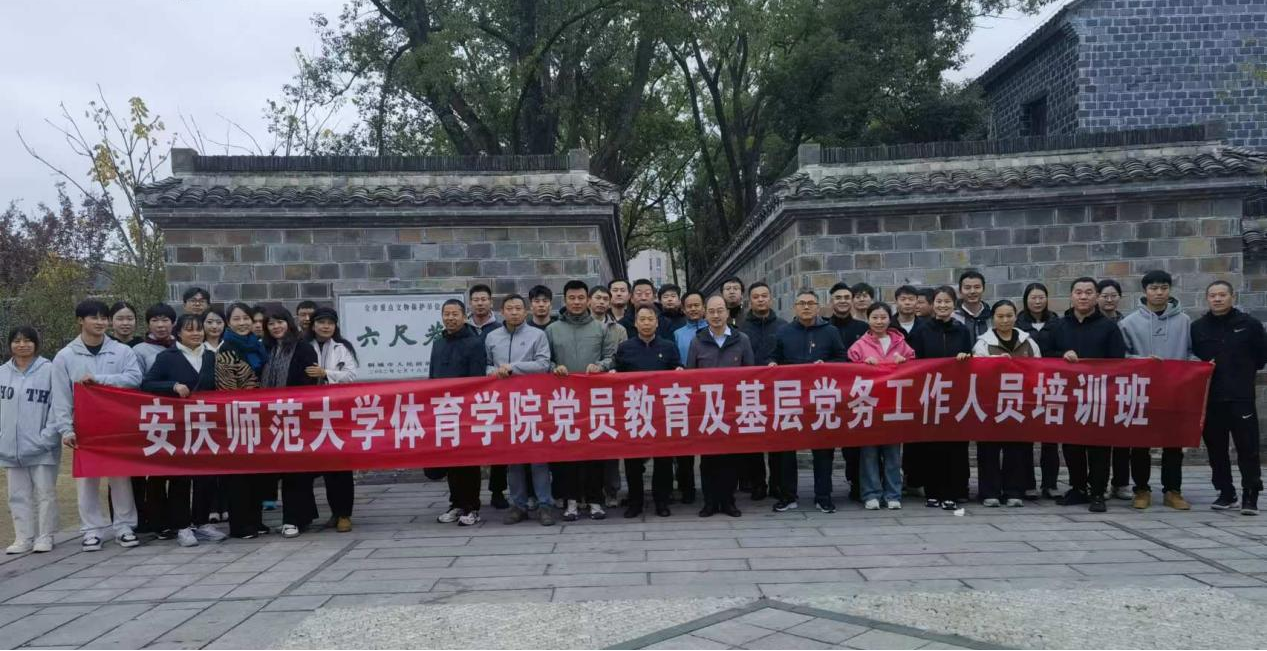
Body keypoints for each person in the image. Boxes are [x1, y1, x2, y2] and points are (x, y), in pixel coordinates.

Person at [50, 299, 143, 552]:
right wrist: (66, 429)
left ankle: (124, 526)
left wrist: (100, 379)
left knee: (120, 477)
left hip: (116, 424)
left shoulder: (121, 351)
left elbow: (134, 378)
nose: (101, 322)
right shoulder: (65, 356)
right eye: (95, 318)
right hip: (85, 428)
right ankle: (91, 530)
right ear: (80, 321)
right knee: (87, 479)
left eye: (104, 318)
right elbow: (61, 397)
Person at [140, 313, 229, 547]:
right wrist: (173, 386)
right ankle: (182, 526)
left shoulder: (211, 356)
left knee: (206, 476)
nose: (196, 333)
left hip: (206, 425)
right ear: (178, 332)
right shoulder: (167, 357)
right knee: (181, 478)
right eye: (189, 329)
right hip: (179, 427)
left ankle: (202, 522)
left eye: (199, 329)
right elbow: (148, 384)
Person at [1042, 277, 1127, 513]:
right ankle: (1077, 488)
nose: (1083, 296)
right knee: (1072, 445)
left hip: (1100, 396)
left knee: (1099, 447)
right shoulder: (1058, 326)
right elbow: (1044, 354)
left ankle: (1097, 492)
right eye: (1078, 292)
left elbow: (1118, 361)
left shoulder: (1108, 327)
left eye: (1088, 292)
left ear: (1096, 296)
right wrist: (1061, 355)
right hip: (1068, 396)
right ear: (1071, 296)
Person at [547, 280, 621, 521]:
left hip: (593, 399)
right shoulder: (553, 329)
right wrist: (554, 367)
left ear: (587, 300)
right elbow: (545, 359)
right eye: (572, 298)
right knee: (568, 453)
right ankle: (571, 500)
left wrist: (600, 366)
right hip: (564, 400)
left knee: (594, 451)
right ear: (565, 299)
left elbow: (611, 357)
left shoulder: (600, 328)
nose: (577, 302)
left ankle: (595, 500)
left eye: (581, 298)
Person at [1118, 270, 1192, 511]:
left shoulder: (1184, 321)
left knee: (1174, 443)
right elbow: (1122, 356)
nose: (1159, 293)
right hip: (1142, 391)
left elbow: (1192, 352)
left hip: (1175, 391)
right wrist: (1142, 361)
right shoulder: (1128, 323)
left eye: (1163, 288)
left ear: (1169, 290)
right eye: (1153, 288)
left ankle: (1173, 490)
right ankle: (1141, 489)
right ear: (1145, 291)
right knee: (1140, 443)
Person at [770, 289, 848, 514]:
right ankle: (788, 496)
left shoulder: (830, 331)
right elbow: (773, 357)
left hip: (821, 399)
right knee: (786, 451)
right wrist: (772, 364)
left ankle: (823, 496)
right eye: (802, 303)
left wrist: (827, 365)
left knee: (823, 450)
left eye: (811, 303)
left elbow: (842, 358)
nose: (806, 307)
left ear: (818, 307)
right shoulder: (783, 332)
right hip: (791, 399)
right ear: (795, 307)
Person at [1191, 280, 1264, 516]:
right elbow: (1195, 358)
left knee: (1247, 447)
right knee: (1216, 448)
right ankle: (1225, 492)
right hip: (1211, 398)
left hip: (1241, 396)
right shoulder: (1198, 327)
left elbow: (1261, 358)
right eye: (1213, 295)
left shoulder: (1250, 325)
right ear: (1207, 299)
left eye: (1222, 295)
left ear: (1233, 297)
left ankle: (1250, 494)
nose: (1217, 299)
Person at [486, 294, 556, 526]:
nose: (514, 312)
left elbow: (543, 364)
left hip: (533, 402)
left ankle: (545, 504)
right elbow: (486, 365)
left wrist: (512, 368)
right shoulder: (492, 337)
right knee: (513, 458)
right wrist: (494, 371)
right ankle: (519, 505)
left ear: (526, 311)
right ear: (502, 312)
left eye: (518, 308)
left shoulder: (538, 335)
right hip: (505, 404)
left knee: (538, 457)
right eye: (509, 308)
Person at [908, 286, 974, 511]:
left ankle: (952, 493)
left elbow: (971, 358)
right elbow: (914, 361)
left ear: (954, 304)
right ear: (932, 304)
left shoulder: (962, 330)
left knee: (954, 447)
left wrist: (965, 357)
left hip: (956, 396)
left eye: (947, 302)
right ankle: (932, 492)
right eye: (939, 301)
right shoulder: (921, 330)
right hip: (930, 395)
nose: (943, 305)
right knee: (931, 446)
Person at [688, 296, 754, 518]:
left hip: (733, 408)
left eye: (720, 311)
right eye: (711, 311)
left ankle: (728, 501)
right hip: (707, 409)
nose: (716, 316)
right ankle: (709, 502)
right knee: (708, 459)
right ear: (705, 314)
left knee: (730, 458)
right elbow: (690, 376)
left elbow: (751, 373)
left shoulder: (741, 339)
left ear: (727, 312)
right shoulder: (697, 341)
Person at [616, 305, 684, 518]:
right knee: (633, 460)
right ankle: (635, 502)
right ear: (636, 323)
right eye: (642, 319)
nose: (646, 323)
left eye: (650, 319)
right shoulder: (625, 348)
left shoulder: (669, 346)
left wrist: (680, 371)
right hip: (634, 411)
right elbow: (617, 376)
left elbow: (678, 370)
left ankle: (661, 501)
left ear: (657, 322)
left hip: (661, 412)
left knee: (663, 460)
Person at [972, 300, 1041, 508]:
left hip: (1019, 403)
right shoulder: (983, 343)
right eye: (1000, 316)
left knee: (1016, 449)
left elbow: (1039, 369)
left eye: (1009, 316)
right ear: (993, 318)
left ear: (1015, 317)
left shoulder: (1028, 342)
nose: (1005, 320)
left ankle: (1014, 491)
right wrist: (995, 363)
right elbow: (977, 371)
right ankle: (989, 492)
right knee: (989, 449)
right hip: (990, 404)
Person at [260, 306, 321, 537]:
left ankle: (292, 519)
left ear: (289, 322)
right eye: (271, 323)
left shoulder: (303, 348)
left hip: (298, 417)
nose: (276, 327)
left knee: (296, 469)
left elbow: (310, 382)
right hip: (271, 418)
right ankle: (302, 516)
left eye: (280, 322)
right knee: (285, 469)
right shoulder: (266, 349)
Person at [848, 302, 915, 511]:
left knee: (893, 453)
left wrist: (904, 362)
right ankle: (871, 494)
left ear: (889, 319)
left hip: (894, 406)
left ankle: (893, 494)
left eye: (883, 317)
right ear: (868, 319)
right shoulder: (859, 345)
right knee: (869, 453)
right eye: (875, 317)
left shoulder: (901, 343)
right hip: (869, 406)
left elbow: (916, 367)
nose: (879, 321)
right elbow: (847, 373)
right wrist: (862, 365)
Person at [430, 299, 488, 526]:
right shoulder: (438, 344)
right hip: (443, 410)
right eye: (447, 314)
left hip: (465, 411)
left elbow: (477, 380)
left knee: (468, 461)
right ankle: (456, 504)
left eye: (455, 314)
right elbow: (432, 377)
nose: (450, 318)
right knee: (450, 459)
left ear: (464, 317)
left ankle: (472, 507)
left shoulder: (474, 343)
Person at [1, 327, 58, 554]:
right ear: (10, 345)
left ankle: (45, 536)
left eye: (27, 341)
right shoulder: (2, 372)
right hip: (9, 447)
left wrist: (46, 438)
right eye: (17, 341)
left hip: (41, 447)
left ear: (36, 344)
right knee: (16, 495)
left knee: (45, 494)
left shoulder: (50, 370)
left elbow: (58, 406)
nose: (22, 345)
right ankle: (23, 537)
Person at [306, 307, 360, 532]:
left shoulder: (342, 348)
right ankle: (333, 512)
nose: (326, 326)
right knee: (324, 465)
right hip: (310, 412)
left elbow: (351, 375)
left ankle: (344, 513)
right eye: (321, 322)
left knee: (341, 464)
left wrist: (326, 373)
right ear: (313, 325)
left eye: (330, 322)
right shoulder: (303, 346)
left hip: (337, 412)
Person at [220, 303, 268, 540]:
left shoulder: (257, 345)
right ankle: (239, 525)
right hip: (238, 418)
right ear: (228, 323)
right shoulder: (227, 349)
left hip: (260, 417)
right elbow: (227, 388)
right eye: (236, 319)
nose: (242, 323)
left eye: (246, 318)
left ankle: (256, 520)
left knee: (257, 472)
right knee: (238, 474)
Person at [738, 282, 786, 502]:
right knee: (753, 440)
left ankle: (777, 483)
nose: (760, 300)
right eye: (756, 297)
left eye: (764, 296)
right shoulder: (741, 328)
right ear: (750, 301)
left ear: (771, 298)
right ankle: (758, 483)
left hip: (777, 391)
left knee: (777, 439)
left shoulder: (783, 326)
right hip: (750, 391)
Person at [1018, 282, 1060, 500]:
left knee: (1050, 438)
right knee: (1026, 437)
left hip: (1053, 385)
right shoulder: (1018, 324)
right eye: (1033, 298)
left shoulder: (1057, 323)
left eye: (1041, 297)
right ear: (1026, 300)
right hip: (1026, 387)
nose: (1037, 301)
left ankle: (1050, 483)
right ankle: (1028, 483)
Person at [108, 301, 148, 531]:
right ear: (111, 322)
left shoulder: (143, 346)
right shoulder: (105, 347)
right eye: (120, 318)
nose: (125, 323)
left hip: (140, 415)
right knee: (117, 471)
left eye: (129, 318)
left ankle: (142, 519)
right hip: (114, 415)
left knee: (140, 469)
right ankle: (120, 521)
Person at [467, 284, 507, 509]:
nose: (480, 303)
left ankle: (497, 491)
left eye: (484, 299)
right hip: (468, 395)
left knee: (499, 443)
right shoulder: (463, 328)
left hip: (496, 393)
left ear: (491, 302)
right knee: (469, 443)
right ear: (470, 303)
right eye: (476, 299)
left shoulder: (500, 329)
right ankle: (468, 495)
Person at [590, 285, 629, 508]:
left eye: (605, 298)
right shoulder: (582, 326)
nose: (601, 302)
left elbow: (622, 356)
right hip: (584, 389)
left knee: (609, 440)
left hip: (610, 391)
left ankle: (612, 490)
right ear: (589, 301)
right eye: (597, 298)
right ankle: (588, 492)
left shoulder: (619, 330)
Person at [829, 282, 868, 502]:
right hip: (829, 393)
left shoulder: (863, 328)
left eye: (846, 297)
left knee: (855, 444)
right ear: (831, 301)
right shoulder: (824, 328)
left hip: (856, 393)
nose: (842, 301)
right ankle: (824, 489)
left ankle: (857, 483)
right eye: (838, 298)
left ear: (851, 301)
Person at [1095, 278, 1133, 501]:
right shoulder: (1091, 322)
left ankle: (1121, 482)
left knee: (1122, 435)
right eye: (1104, 296)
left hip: (1123, 384)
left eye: (1113, 296)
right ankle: (1099, 482)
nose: (1109, 300)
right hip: (1097, 386)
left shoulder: (1127, 323)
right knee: (1100, 438)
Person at [672, 291, 709, 505]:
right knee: (684, 444)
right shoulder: (677, 334)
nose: (694, 309)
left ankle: (710, 486)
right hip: (684, 394)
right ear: (683, 309)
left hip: (708, 394)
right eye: (689, 306)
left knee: (708, 442)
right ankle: (687, 489)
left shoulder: (714, 329)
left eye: (697, 305)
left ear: (703, 307)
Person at [193, 308, 230, 525]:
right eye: (209, 322)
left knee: (227, 459)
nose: (214, 326)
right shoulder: (198, 350)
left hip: (229, 413)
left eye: (218, 322)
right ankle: (211, 507)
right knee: (208, 461)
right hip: (204, 413)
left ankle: (226, 504)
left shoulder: (231, 347)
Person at [135, 303, 177, 374]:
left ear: (173, 323)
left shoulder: (182, 346)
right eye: (154, 320)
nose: (160, 325)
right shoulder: (139, 350)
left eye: (165, 320)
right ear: (148, 324)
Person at [953, 271, 992, 339]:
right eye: (967, 288)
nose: (972, 291)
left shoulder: (991, 316)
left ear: (983, 289)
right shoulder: (953, 317)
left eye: (977, 287)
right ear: (960, 290)